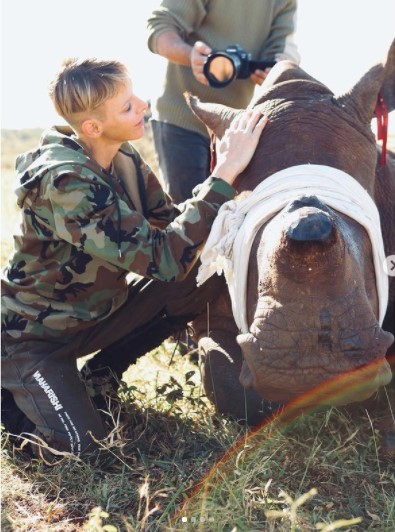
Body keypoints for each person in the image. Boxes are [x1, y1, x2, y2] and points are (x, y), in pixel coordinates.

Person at [1, 57, 267, 460]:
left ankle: (99, 377)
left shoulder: (123, 158)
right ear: (93, 127)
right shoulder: (66, 183)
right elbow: (165, 259)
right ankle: (14, 402)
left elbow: (175, 230)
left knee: (204, 274)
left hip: (94, 317)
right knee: (83, 450)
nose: (142, 105)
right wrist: (224, 174)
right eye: (127, 106)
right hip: (32, 340)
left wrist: (241, 197)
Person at [147, 0, 300, 203]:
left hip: (232, 128)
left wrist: (275, 68)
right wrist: (191, 56)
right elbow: (160, 28)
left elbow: (281, 48)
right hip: (181, 119)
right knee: (185, 215)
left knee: (224, 216)